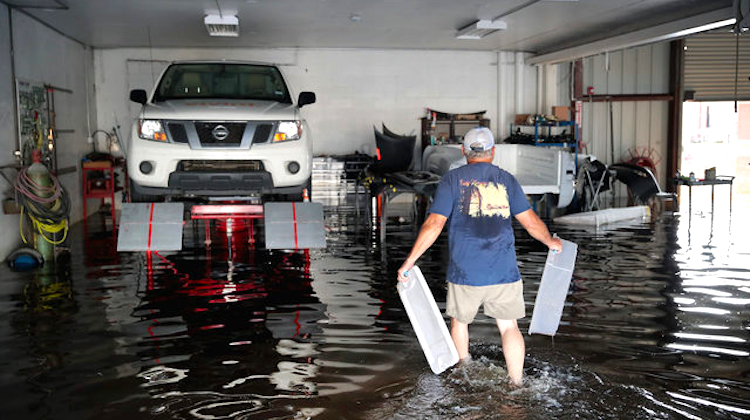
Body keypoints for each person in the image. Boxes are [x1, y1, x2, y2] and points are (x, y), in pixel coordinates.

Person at [397, 127, 562, 385]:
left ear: (464, 152)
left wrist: (409, 261)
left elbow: (433, 224)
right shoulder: (507, 179)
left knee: (460, 324)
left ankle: (463, 378)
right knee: (509, 327)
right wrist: (550, 242)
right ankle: (516, 384)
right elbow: (530, 222)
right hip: (503, 271)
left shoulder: (451, 180)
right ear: (493, 152)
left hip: (465, 273)